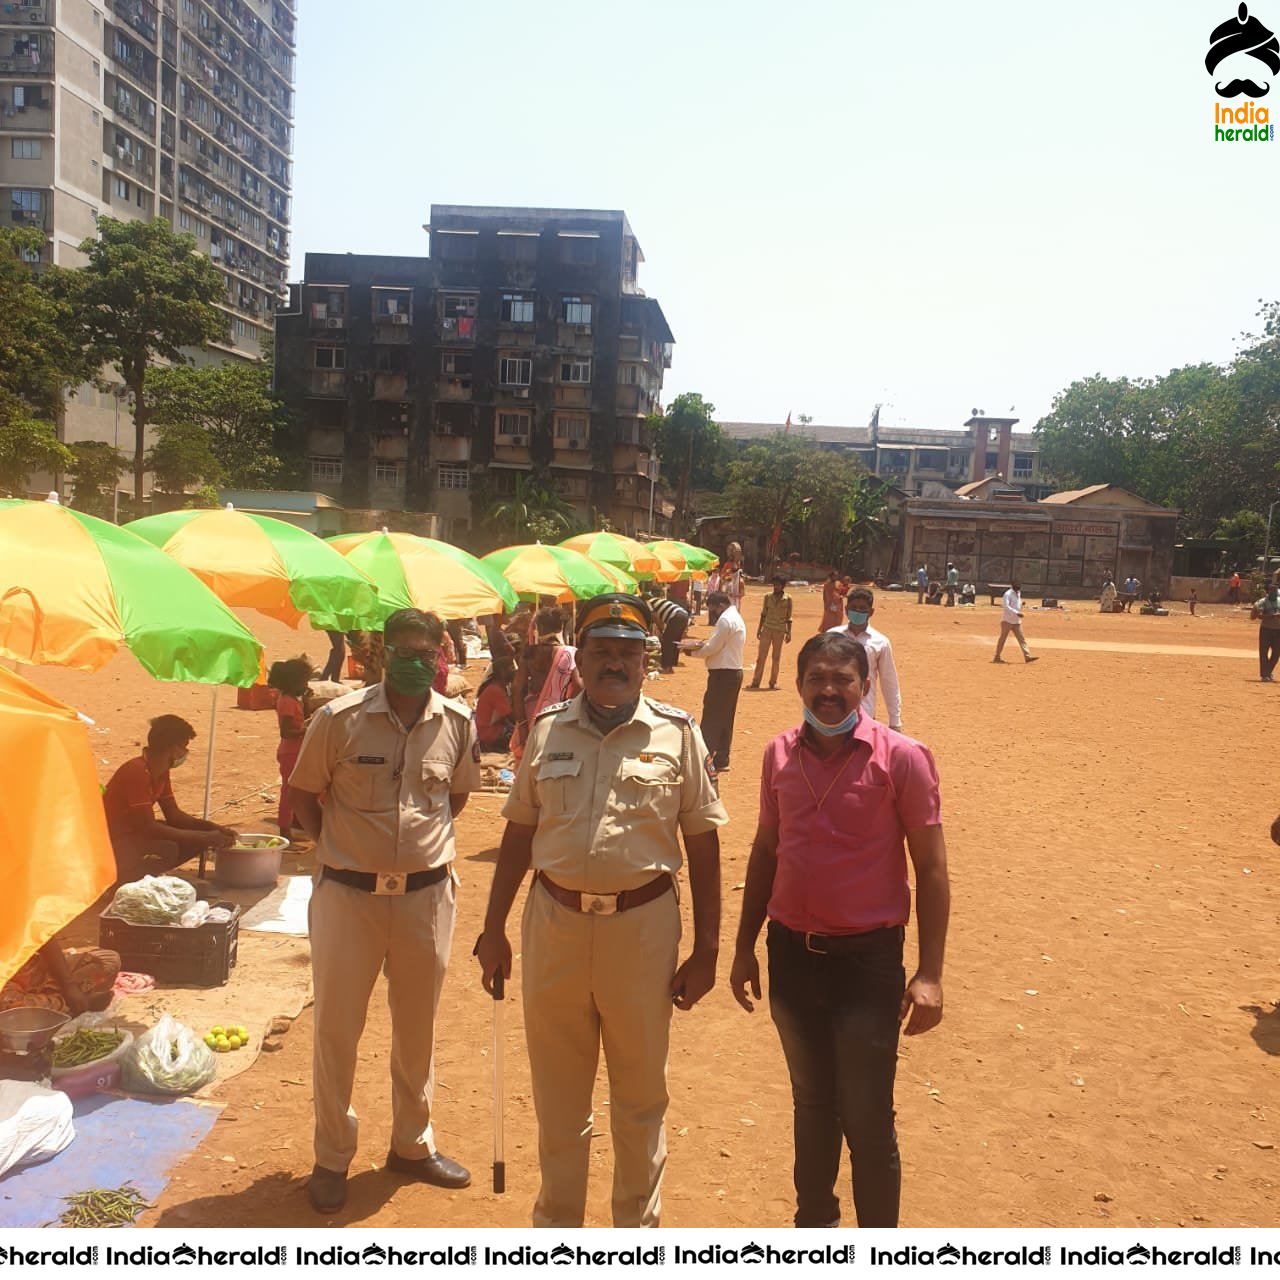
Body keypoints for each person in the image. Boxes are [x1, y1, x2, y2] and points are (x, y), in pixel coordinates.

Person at [475, 593, 726, 1228]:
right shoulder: (548, 731)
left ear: (647, 661)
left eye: (627, 652)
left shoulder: (678, 733)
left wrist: (706, 950)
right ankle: (558, 1229)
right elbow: (518, 833)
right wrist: (492, 927)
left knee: (640, 1096)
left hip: (642, 931)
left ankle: (635, 1236)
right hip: (553, 925)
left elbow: (703, 843)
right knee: (559, 1096)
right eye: (602, 651)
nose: (614, 663)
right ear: (579, 659)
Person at [729, 631, 949, 1228]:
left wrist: (929, 974)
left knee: (868, 1116)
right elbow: (766, 850)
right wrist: (744, 947)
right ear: (799, 684)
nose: (828, 692)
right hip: (791, 957)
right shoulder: (778, 754)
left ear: (865, 686)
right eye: (816, 679)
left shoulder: (901, 757)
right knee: (812, 1105)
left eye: (842, 680)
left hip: (867, 963)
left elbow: (930, 868)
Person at [287, 607, 482, 1214]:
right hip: (348, 898)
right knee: (337, 1030)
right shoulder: (338, 719)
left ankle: (411, 1146)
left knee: (417, 1028)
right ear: (381, 655)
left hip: (426, 897)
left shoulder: (457, 722)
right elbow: (301, 796)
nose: (417, 661)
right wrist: (338, 852)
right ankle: (331, 1157)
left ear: (441, 656)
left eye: (429, 652)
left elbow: (457, 796)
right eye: (405, 650)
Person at [103, 715, 238, 883]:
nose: (185, 753)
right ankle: (122, 881)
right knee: (168, 848)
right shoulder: (136, 772)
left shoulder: (160, 771)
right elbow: (147, 827)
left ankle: (142, 873)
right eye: (184, 747)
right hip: (112, 838)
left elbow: (174, 815)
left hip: (133, 831)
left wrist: (211, 828)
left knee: (195, 840)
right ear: (172, 749)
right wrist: (204, 837)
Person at [825, 586, 903, 732]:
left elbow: (889, 681)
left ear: (871, 612)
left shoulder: (880, 642)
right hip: (834, 712)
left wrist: (895, 721)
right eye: (854, 608)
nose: (858, 612)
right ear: (847, 610)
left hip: (865, 713)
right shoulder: (832, 636)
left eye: (863, 608)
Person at [687, 589, 747, 773]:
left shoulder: (725, 620)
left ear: (720, 605)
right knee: (725, 717)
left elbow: (712, 647)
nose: (713, 612)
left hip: (723, 674)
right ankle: (721, 758)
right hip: (732, 672)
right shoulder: (734, 616)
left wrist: (692, 651)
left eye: (713, 608)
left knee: (712, 716)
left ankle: (704, 758)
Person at [512, 608, 583, 760]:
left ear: (539, 628)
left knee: (529, 762)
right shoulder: (570, 654)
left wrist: (522, 724)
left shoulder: (529, 653)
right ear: (561, 628)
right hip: (559, 718)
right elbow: (578, 686)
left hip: (531, 717)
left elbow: (517, 689)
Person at [0, 941, 121, 1015]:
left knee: (109, 959)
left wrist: (69, 985)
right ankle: (67, 1004)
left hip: (28, 966)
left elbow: (44, 937)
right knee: (11, 1010)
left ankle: (54, 1001)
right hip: (5, 983)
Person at [267, 657, 313, 836]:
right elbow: (286, 732)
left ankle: (294, 823)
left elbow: (306, 717)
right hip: (290, 752)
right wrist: (305, 731)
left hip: (297, 750)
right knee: (289, 791)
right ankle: (284, 830)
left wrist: (307, 702)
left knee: (300, 789)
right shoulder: (286, 701)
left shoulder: (294, 699)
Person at [750, 574, 793, 690]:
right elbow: (763, 614)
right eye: (774, 585)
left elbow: (789, 618)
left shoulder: (788, 599)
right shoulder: (767, 597)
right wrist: (759, 629)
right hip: (767, 629)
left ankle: (773, 682)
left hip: (779, 631)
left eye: (778, 585)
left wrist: (789, 633)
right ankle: (756, 682)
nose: (775, 587)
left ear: (783, 586)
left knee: (776, 658)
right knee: (761, 657)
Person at [993, 579, 1039, 664]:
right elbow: (1006, 606)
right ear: (1012, 585)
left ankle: (1027, 657)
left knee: (1022, 639)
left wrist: (1021, 604)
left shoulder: (1018, 593)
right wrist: (1017, 613)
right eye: (1017, 585)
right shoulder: (1007, 594)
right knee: (1002, 639)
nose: (1019, 587)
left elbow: (1016, 603)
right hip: (1007, 621)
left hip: (1017, 622)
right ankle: (997, 657)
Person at [475, 658, 517, 752]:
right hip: (488, 733)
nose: (514, 671)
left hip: (487, 730)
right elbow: (512, 717)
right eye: (511, 668)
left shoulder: (497, 687)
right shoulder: (495, 691)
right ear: (502, 672)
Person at [651, 591, 691, 674]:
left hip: (676, 616)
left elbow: (655, 617)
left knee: (667, 642)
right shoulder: (658, 601)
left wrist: (661, 630)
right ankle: (672, 663)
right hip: (684, 615)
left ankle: (666, 667)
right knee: (675, 641)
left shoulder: (648, 603)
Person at [1252, 583, 1280, 682]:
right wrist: (1272, 616)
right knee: (1263, 652)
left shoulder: (1279, 601)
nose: (1275, 593)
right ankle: (1265, 675)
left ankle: (1267, 672)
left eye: (1276, 590)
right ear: (1268, 592)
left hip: (1278, 630)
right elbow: (1259, 616)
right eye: (1273, 591)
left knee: (1276, 653)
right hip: (1266, 629)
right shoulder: (1263, 602)